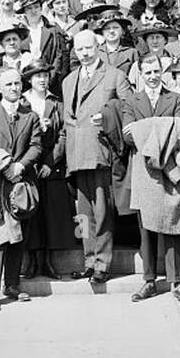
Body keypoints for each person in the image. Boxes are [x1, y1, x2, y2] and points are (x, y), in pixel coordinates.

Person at [121, 52, 180, 305]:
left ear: (162, 73)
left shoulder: (175, 98)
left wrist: (147, 128)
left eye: (156, 72)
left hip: (171, 169)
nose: (152, 77)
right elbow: (127, 135)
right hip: (144, 170)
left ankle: (177, 283)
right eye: (148, 72)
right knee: (146, 228)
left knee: (173, 225)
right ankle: (149, 280)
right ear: (141, 73)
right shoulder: (131, 100)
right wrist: (165, 126)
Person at [62, 29, 132, 285]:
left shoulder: (115, 76)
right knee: (83, 214)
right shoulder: (68, 81)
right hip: (76, 156)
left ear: (98, 46)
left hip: (101, 153)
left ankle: (102, 264)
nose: (84, 54)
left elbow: (129, 108)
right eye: (79, 49)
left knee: (102, 213)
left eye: (88, 48)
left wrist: (107, 116)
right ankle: (89, 261)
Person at [0, 67, 44, 310]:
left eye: (17, 84)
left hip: (21, 186)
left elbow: (36, 146)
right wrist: (5, 166)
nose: (14, 88)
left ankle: (11, 284)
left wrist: (20, 167)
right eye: (8, 84)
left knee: (17, 237)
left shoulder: (30, 116)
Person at [19, 58, 74, 280]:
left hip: (52, 167)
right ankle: (31, 260)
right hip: (27, 166)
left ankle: (49, 261)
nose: (42, 80)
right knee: (30, 214)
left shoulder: (56, 102)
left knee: (52, 214)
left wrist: (51, 162)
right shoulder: (22, 102)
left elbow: (64, 134)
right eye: (37, 76)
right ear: (29, 80)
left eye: (44, 75)